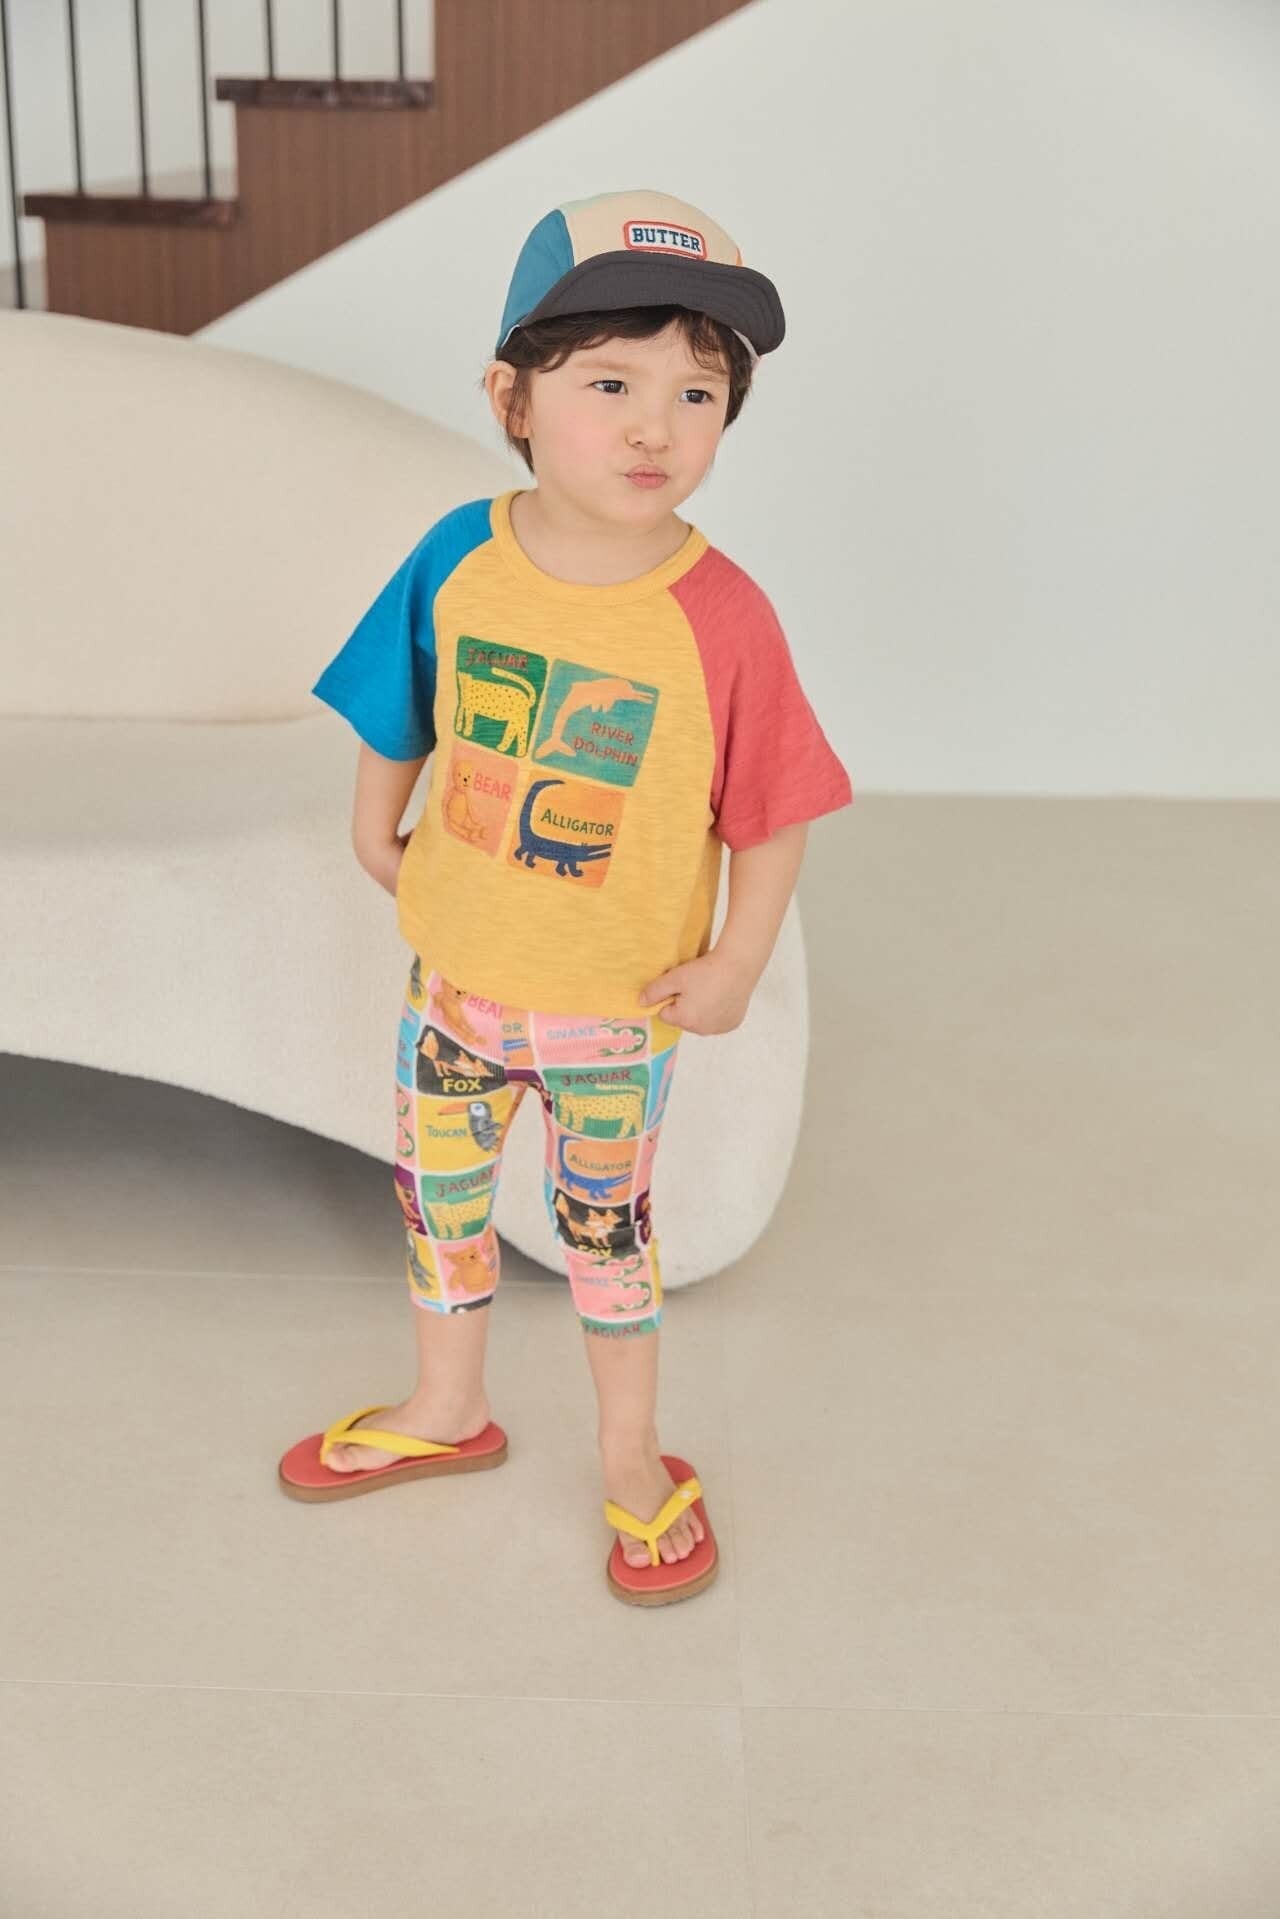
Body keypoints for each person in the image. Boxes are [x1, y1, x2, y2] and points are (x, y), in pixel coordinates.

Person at [276, 189, 854, 1605]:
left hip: (612, 1014)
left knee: (607, 1240)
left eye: (696, 393)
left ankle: (631, 1454)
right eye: (610, 385)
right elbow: (400, 700)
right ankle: (446, 1406)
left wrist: (735, 962)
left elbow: (774, 810)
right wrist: (373, 824)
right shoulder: (458, 553)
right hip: (454, 991)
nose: (656, 427)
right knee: (440, 1208)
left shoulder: (724, 616)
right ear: (512, 399)